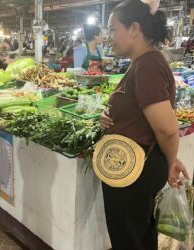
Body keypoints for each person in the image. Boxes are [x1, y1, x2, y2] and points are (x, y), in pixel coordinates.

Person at [100, 1, 190, 249]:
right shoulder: (141, 62)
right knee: (134, 235)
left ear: (134, 28)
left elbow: (167, 128)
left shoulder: (148, 65)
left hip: (136, 171)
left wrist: (171, 162)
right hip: (131, 167)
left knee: (131, 239)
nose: (109, 37)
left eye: (112, 29)